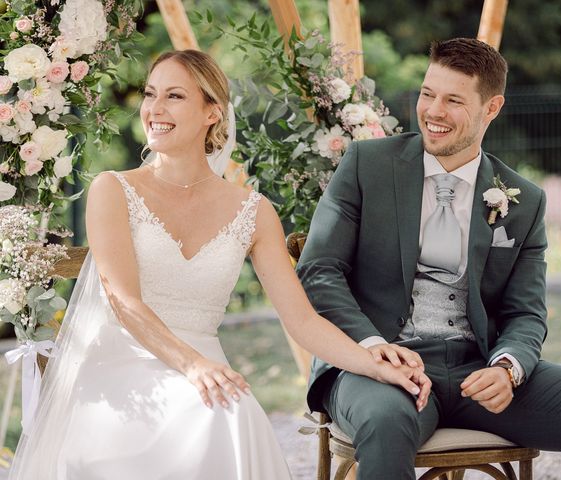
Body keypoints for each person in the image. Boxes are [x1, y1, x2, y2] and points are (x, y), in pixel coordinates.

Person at [8, 49, 430, 480]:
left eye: (174, 96)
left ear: (212, 112)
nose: (154, 108)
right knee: (212, 412)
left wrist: (371, 360)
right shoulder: (112, 189)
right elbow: (123, 302)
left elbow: (302, 321)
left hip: (207, 370)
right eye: (151, 94)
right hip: (121, 364)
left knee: (229, 411)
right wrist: (192, 365)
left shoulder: (253, 210)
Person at [297, 38, 561, 480]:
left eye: (453, 100)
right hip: (374, 364)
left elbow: (526, 311)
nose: (433, 111)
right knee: (387, 422)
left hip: (475, 367)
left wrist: (508, 368)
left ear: (491, 108)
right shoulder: (367, 165)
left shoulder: (524, 200)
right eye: (427, 94)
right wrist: (372, 349)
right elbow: (319, 270)